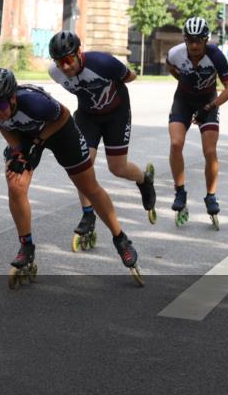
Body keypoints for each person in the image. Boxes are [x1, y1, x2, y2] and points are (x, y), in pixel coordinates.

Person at [0, 67, 142, 286]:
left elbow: (63, 115)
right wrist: (18, 150)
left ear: (13, 98)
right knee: (15, 184)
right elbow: (3, 125)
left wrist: (37, 143)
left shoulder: (35, 102)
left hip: (60, 132)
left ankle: (121, 239)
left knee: (89, 187)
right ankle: (26, 247)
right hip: (26, 135)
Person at [47, 31, 157, 252]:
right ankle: (88, 215)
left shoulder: (102, 62)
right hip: (88, 116)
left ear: (79, 52)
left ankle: (144, 180)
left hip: (116, 113)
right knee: (82, 164)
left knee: (118, 168)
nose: (65, 67)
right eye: (60, 63)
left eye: (68, 60)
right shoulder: (55, 73)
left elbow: (130, 77)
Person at [165, 16, 228, 228]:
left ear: (206, 40)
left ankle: (211, 195)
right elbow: (171, 67)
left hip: (208, 101)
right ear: (185, 39)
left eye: (199, 41)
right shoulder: (175, 53)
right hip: (183, 100)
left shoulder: (216, 56)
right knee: (176, 143)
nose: (194, 45)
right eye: (190, 40)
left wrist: (210, 107)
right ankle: (180, 192)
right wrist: (184, 80)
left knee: (209, 151)